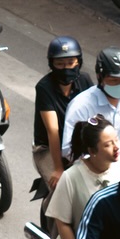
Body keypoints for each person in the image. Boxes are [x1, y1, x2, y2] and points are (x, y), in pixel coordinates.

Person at [33, 34, 85, 193]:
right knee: (60, 190)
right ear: (52, 64)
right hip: (49, 148)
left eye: (71, 63)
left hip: (79, 145)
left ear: (78, 62)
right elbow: (53, 131)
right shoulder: (44, 87)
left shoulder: (84, 81)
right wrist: (58, 168)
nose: (66, 68)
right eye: (60, 64)